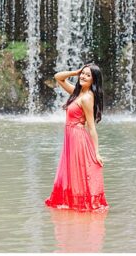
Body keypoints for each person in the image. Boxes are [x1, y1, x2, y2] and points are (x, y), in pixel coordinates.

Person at [45, 63, 108, 211]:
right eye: (83, 74)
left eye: (88, 75)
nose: (83, 76)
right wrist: (76, 72)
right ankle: (74, 202)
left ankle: (81, 204)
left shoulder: (86, 98)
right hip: (71, 137)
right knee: (72, 171)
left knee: (79, 171)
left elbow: (91, 127)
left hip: (78, 138)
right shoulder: (77, 93)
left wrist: (96, 152)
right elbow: (58, 77)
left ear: (94, 80)